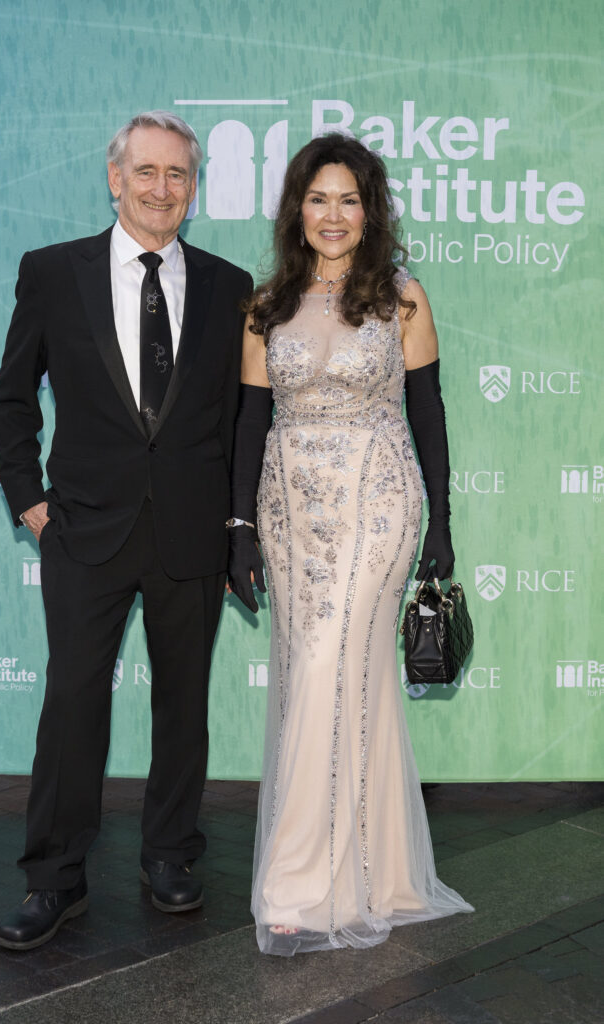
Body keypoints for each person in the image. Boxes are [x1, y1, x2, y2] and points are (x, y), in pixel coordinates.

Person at [0, 111, 252, 950]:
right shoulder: (53, 272)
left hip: (189, 529)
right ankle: (54, 878)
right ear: (115, 178)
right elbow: (11, 395)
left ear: (193, 187)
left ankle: (170, 855)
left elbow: (242, 416)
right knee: (72, 701)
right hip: (83, 527)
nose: (161, 189)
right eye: (146, 172)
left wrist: (236, 524)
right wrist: (28, 497)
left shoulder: (228, 284)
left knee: (183, 704)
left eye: (177, 175)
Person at [228, 133, 473, 955]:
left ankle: (299, 883)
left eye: (349, 199)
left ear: (370, 210)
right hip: (290, 507)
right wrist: (238, 527)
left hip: (377, 500)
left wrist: (440, 519)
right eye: (317, 198)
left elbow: (429, 413)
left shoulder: (402, 297)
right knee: (321, 678)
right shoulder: (264, 307)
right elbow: (250, 421)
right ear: (296, 209)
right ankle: (377, 872)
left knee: (335, 664)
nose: (333, 215)